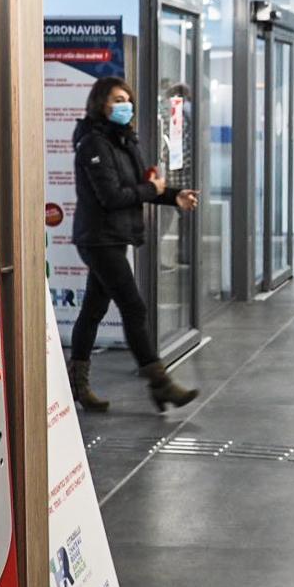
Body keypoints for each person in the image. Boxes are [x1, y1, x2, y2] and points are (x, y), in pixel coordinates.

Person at [68, 76, 201, 413]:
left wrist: (174, 196)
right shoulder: (93, 144)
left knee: (94, 309)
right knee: (134, 306)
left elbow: (145, 185)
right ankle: (160, 383)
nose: (123, 104)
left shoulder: (126, 140)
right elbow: (112, 197)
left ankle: (77, 385)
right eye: (116, 99)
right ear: (100, 103)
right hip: (98, 238)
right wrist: (155, 191)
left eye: (127, 98)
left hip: (114, 235)